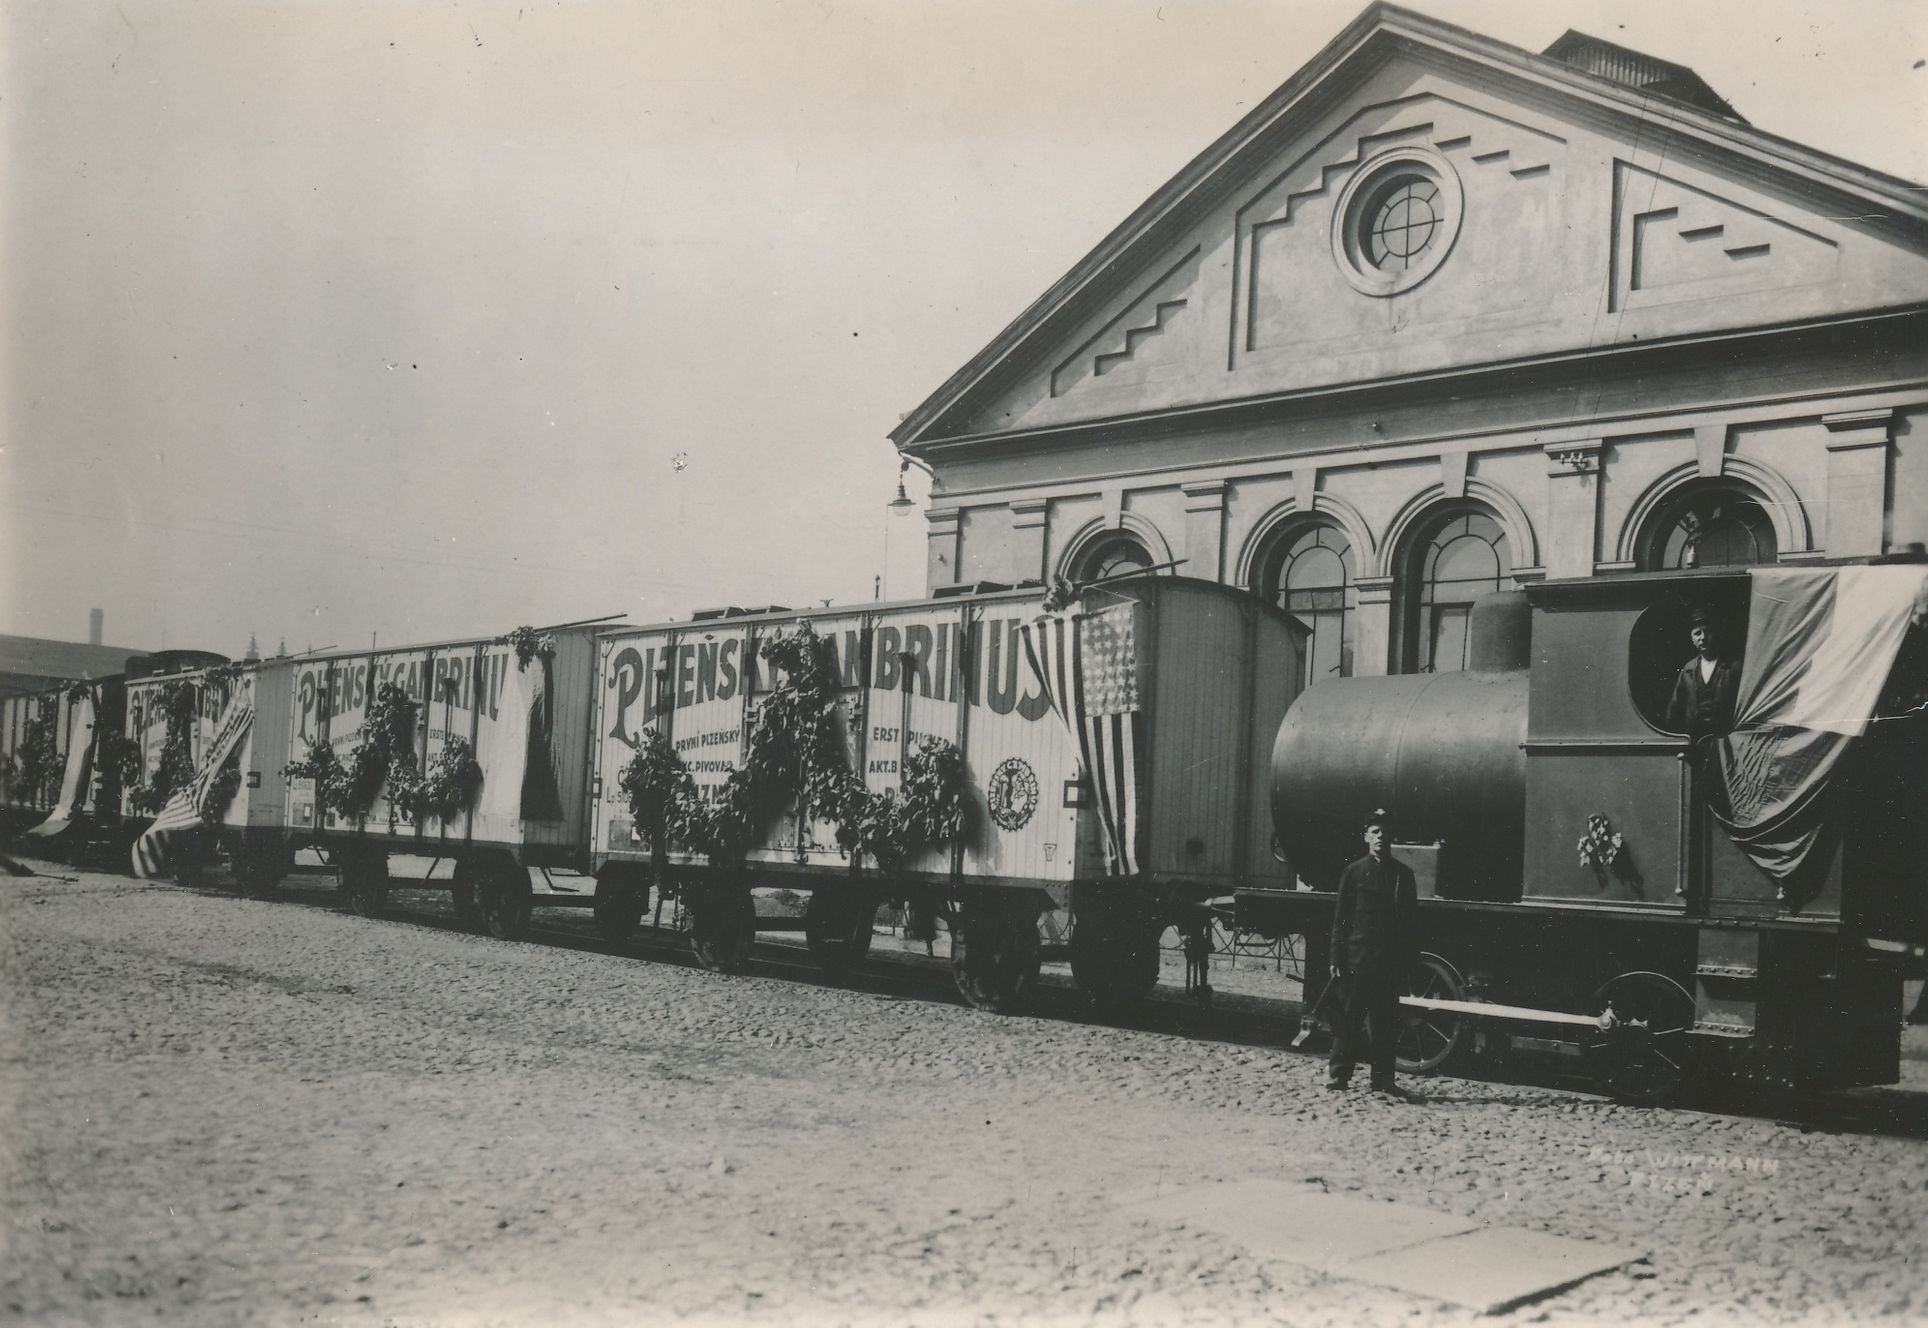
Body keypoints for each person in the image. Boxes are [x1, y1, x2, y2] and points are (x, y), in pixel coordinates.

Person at [1327, 809, 1419, 1098]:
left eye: (1385, 832)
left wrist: (1407, 963)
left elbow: (1409, 924)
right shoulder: (1353, 872)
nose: (1380, 837)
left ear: (1392, 837)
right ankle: (1339, 1077)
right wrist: (1335, 959)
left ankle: (1383, 1081)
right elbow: (1341, 920)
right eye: (1375, 832)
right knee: (1349, 1024)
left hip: (1387, 966)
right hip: (1357, 962)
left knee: (1385, 1026)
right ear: (1366, 837)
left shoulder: (1403, 876)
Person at [1665, 606, 1741, 742]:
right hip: (1694, 745)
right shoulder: (1688, 670)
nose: (1703, 638)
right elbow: (1674, 710)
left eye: (1708, 631)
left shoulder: (1733, 667)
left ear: (1717, 633)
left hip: (1726, 744)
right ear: (1692, 638)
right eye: (1697, 633)